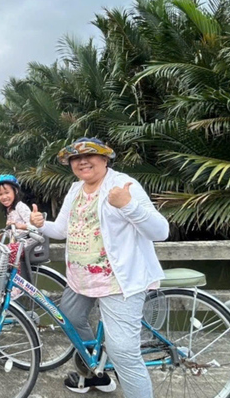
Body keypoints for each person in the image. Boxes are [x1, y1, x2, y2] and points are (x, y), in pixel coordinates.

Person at [29, 137, 169, 398]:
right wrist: (39, 224)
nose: (82, 161)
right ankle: (98, 371)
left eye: (90, 155)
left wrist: (129, 206)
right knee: (69, 317)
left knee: (124, 353)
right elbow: (60, 230)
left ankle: (114, 362)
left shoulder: (123, 186)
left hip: (119, 283)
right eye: (75, 158)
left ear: (105, 159)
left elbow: (161, 231)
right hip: (81, 280)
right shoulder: (76, 189)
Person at [0, 174, 35, 298]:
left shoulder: (21, 206)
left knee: (11, 251)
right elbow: (10, 229)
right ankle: (4, 282)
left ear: (15, 191)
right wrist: (0, 237)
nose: (4, 197)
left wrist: (19, 225)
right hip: (18, 241)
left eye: (7, 192)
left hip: (28, 241)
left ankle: (18, 285)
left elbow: (34, 226)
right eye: (0, 194)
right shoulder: (9, 209)